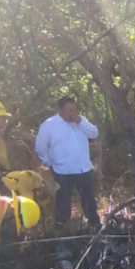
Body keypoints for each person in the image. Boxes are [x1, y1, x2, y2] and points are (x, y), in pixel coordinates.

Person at [35, 97, 102, 231]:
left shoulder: (80, 121)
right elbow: (40, 146)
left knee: (89, 200)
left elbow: (94, 133)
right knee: (63, 203)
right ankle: (62, 230)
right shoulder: (49, 125)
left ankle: (94, 225)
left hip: (84, 168)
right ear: (60, 110)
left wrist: (80, 121)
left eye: (74, 110)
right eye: (69, 110)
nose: (72, 113)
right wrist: (49, 162)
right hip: (63, 171)